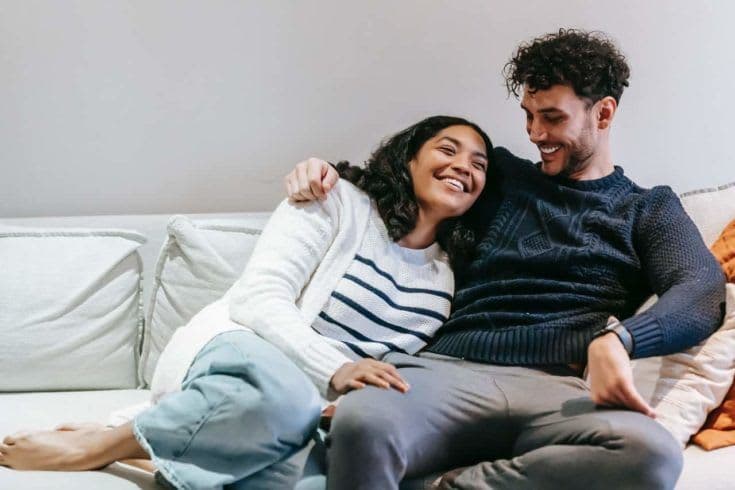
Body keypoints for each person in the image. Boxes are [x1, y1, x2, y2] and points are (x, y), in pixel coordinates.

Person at [283, 29, 726, 490]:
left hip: (560, 391)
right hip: (449, 371)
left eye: (552, 118)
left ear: (604, 112)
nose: (536, 134)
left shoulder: (648, 208)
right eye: (529, 116)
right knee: (362, 422)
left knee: (650, 454)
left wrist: (620, 341)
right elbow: (400, 183)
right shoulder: (500, 176)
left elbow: (703, 291)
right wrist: (325, 173)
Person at [0, 116, 491, 489]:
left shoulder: (442, 280)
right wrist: (335, 368)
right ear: (408, 158)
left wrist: (351, 404)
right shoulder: (336, 199)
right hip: (243, 353)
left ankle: (160, 455)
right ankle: (98, 446)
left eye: (478, 164)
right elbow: (259, 299)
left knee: (320, 482)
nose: (463, 167)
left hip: (311, 411)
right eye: (447, 149)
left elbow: (385, 368)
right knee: (285, 398)